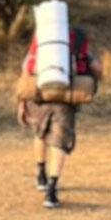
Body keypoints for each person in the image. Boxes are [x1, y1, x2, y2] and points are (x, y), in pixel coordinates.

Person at [16, 26, 103, 209]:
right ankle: (52, 189)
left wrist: (22, 101)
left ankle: (41, 174)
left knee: (40, 133)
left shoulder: (43, 35)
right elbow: (95, 66)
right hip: (65, 97)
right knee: (59, 142)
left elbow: (27, 66)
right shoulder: (78, 36)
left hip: (39, 94)